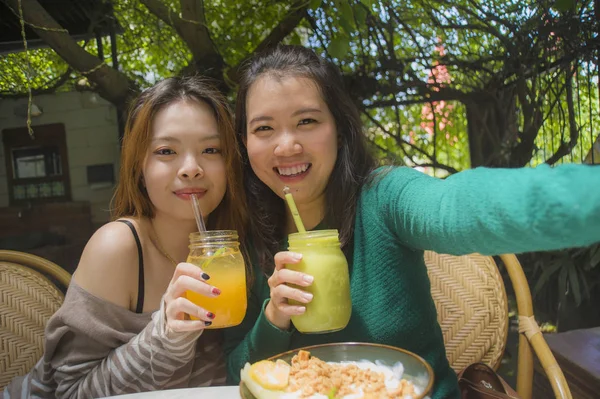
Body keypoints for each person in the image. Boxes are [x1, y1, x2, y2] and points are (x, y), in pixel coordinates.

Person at [223, 44, 600, 398]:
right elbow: (237, 376)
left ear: (338, 127)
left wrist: (587, 199)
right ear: (244, 142)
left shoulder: (384, 197)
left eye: (306, 121)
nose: (287, 145)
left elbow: (454, 207)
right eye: (264, 128)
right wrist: (274, 318)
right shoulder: (246, 240)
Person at [4, 76, 248, 398]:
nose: (191, 168)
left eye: (210, 149)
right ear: (139, 167)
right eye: (166, 151)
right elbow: (71, 393)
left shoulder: (235, 246)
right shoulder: (119, 248)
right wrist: (166, 336)